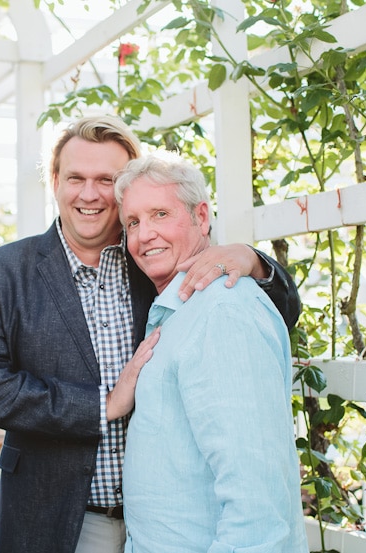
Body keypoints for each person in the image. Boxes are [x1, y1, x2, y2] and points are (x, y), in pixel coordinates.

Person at [0, 115, 301, 553]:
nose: (89, 193)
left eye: (107, 179)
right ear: (56, 181)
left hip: (165, 525)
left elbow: (270, 313)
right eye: (76, 177)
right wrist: (101, 405)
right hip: (60, 520)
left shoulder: (155, 260)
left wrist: (254, 260)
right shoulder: (2, 273)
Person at [116, 150, 308, 552]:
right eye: (133, 222)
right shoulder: (183, 307)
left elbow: (255, 498)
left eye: (160, 214)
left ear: (201, 217)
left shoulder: (221, 310)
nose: (143, 234)